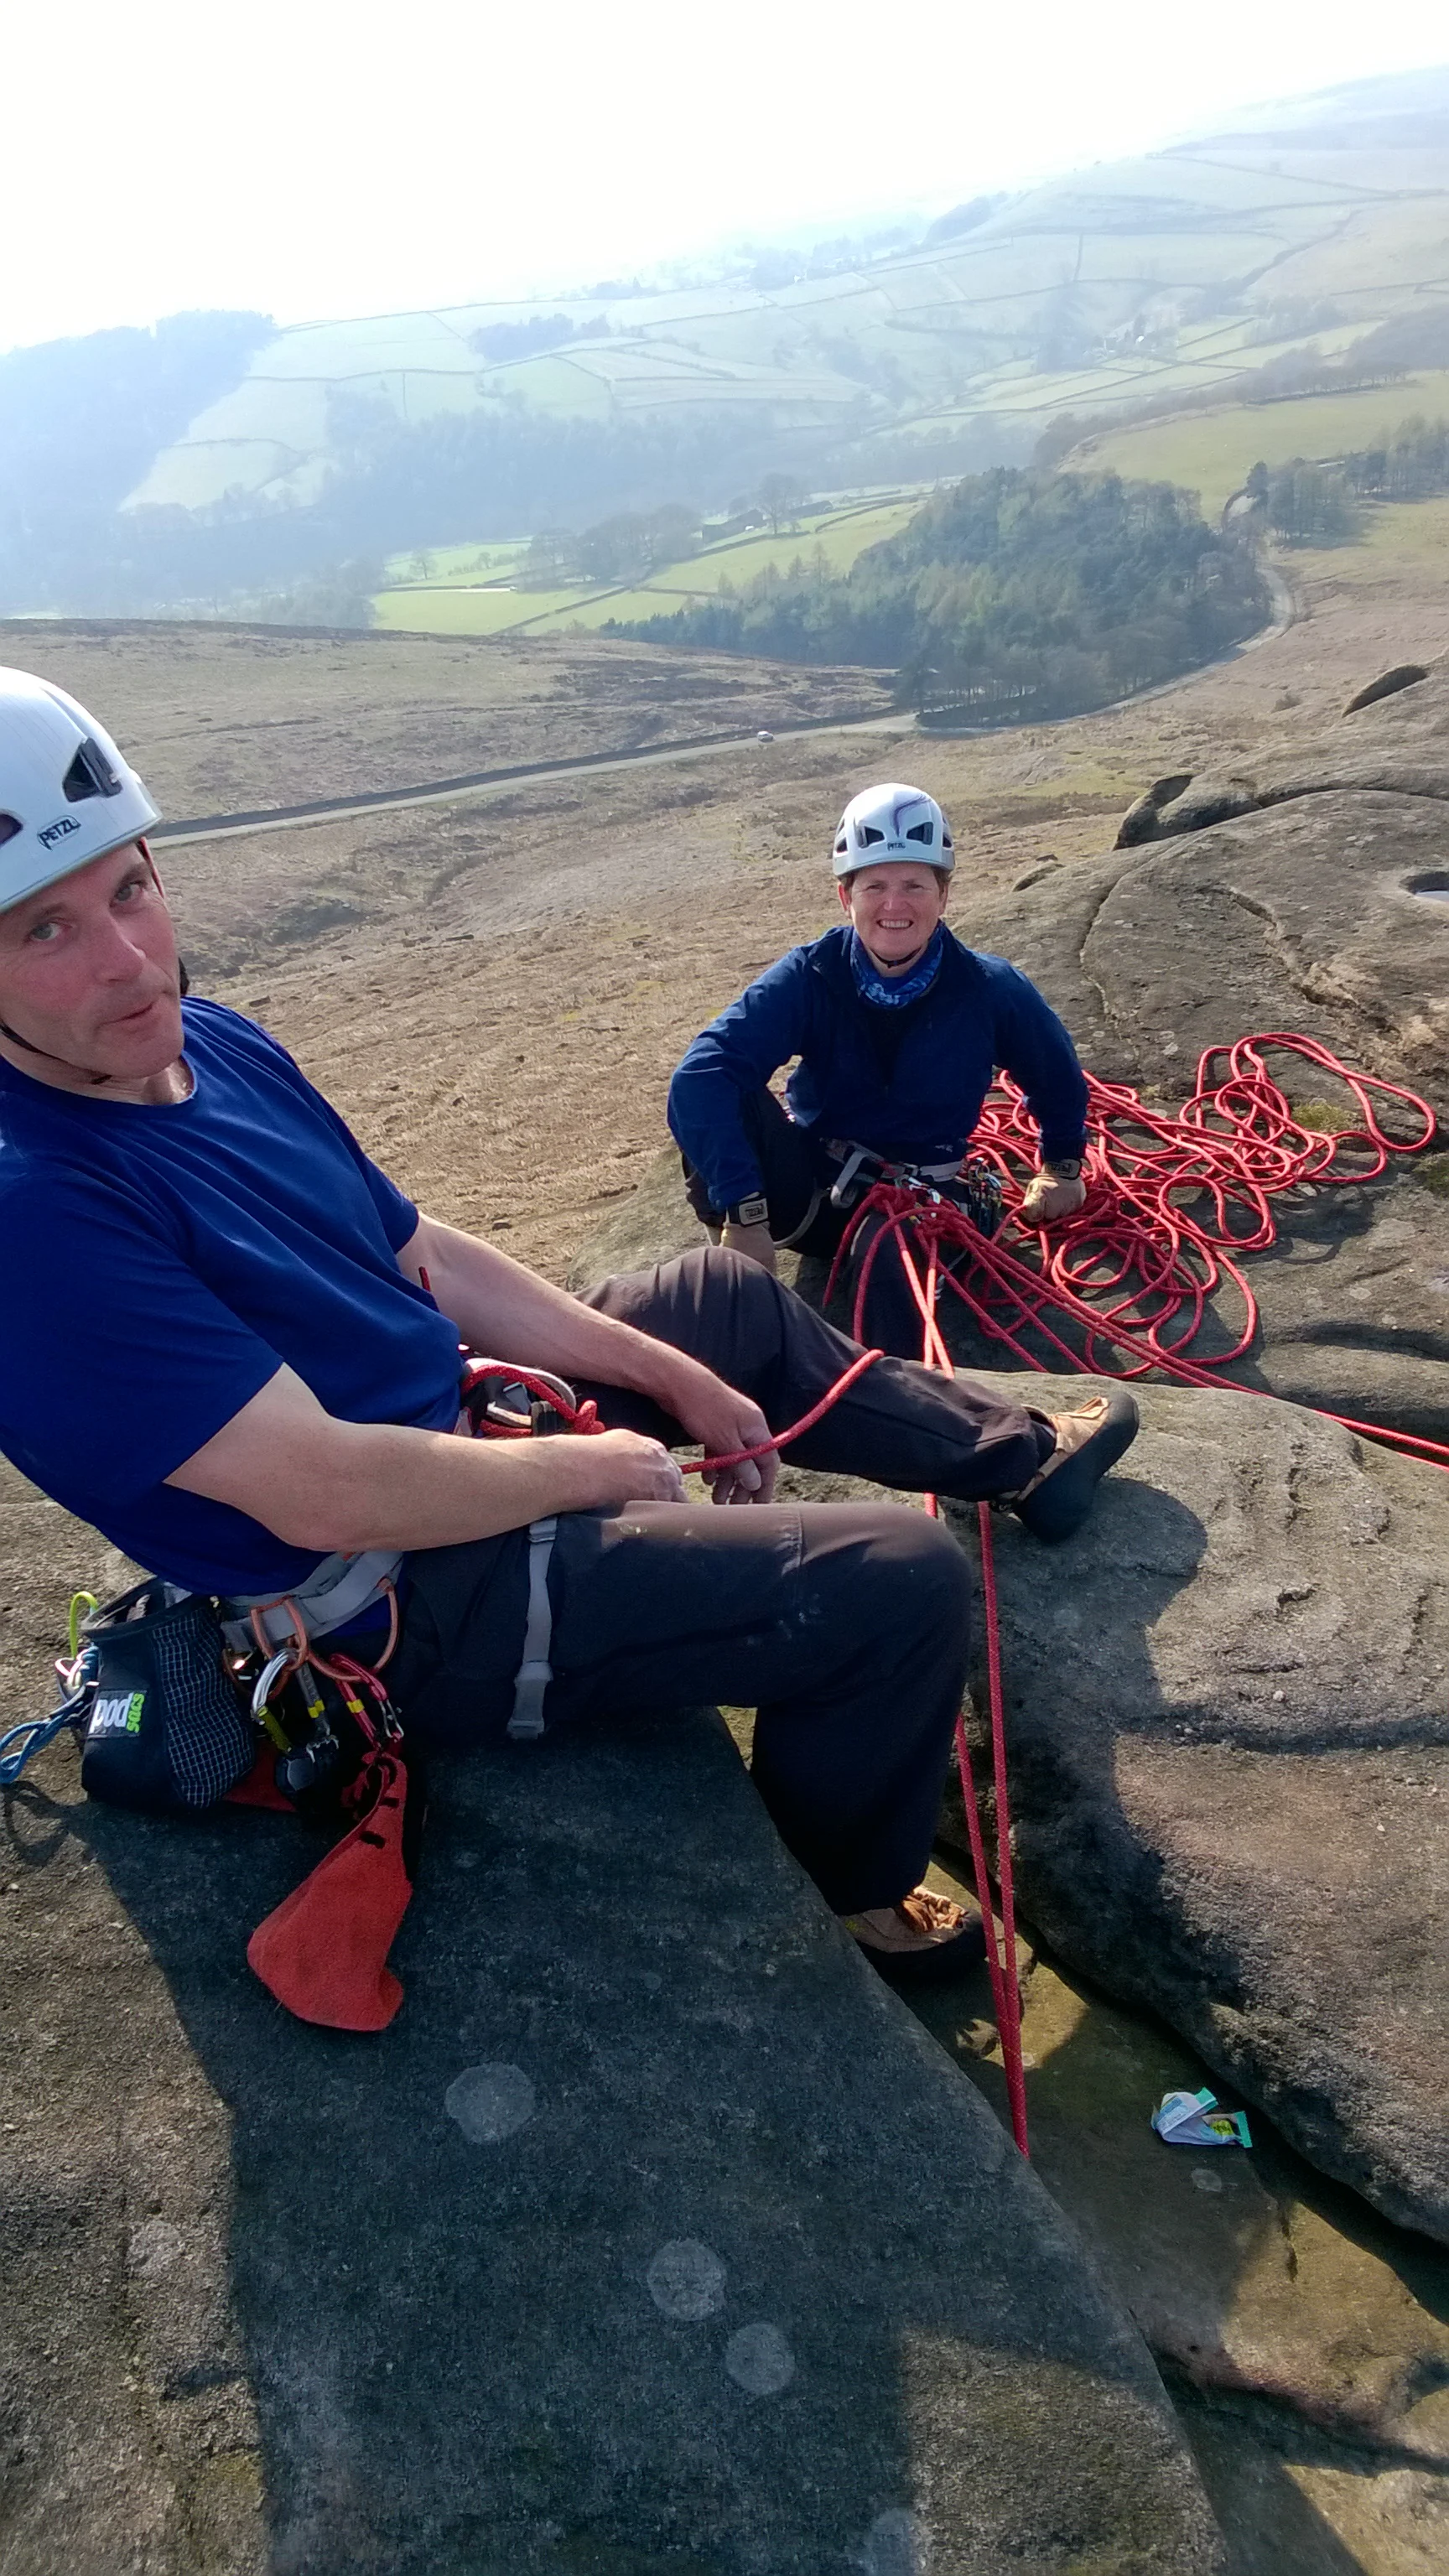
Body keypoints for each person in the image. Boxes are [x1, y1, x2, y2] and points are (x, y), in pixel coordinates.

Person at [0, 673, 1137, 1978]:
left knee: (720, 1302)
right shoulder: (32, 1212)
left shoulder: (219, 1046)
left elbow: (421, 1253)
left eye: (129, 889)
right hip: (395, 1601)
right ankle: (857, 1900)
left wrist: (666, 1374)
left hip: (448, 1443)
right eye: (45, 930)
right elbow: (319, 1491)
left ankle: (1020, 1455)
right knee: (902, 1589)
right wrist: (595, 1465)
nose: (129, 959)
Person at [668, 782, 1093, 1350]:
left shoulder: (990, 989)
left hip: (920, 1203)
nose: (895, 905)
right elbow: (703, 1075)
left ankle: (901, 1411)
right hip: (818, 1188)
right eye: (876, 886)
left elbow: (1055, 1073)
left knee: (884, 1250)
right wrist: (743, 1214)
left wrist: (1062, 1167)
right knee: (720, 1090)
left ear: (943, 895)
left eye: (914, 884)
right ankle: (740, 1302)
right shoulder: (811, 976)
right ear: (847, 898)